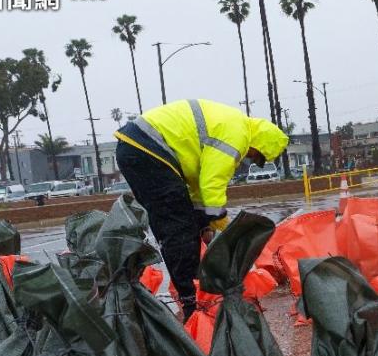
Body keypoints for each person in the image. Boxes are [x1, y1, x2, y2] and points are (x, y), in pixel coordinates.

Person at [114, 99, 288, 318]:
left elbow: (197, 186)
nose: (249, 158)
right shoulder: (237, 135)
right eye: (255, 155)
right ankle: (192, 303)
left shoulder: (232, 127)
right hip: (146, 150)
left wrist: (204, 224)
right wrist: (224, 225)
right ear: (260, 144)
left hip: (139, 150)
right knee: (179, 228)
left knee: (182, 223)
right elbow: (212, 184)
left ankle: (193, 295)